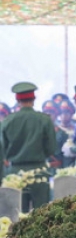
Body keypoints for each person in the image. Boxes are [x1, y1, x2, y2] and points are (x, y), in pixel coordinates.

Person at [0, 82, 57, 210]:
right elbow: (51, 149)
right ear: (34, 99)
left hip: (15, 173)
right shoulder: (44, 120)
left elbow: (2, 150)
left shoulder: (7, 121)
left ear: (17, 100)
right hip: (39, 173)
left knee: (16, 216)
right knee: (41, 215)